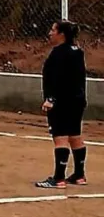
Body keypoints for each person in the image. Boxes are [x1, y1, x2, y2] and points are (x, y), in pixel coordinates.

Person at [36, 20, 89, 188]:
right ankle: (79, 175)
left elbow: (57, 79)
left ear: (62, 34)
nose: (50, 33)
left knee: (60, 137)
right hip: (77, 100)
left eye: (53, 30)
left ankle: (58, 178)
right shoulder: (77, 51)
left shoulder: (59, 53)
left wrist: (51, 99)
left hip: (61, 102)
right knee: (75, 135)